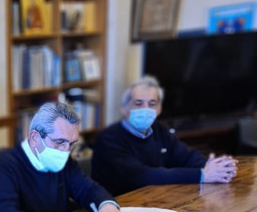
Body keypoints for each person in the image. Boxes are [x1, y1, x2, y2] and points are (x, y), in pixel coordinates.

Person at [0, 102, 140, 212]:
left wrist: (105, 205)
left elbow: (87, 188)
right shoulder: (3, 166)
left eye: (71, 144)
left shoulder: (63, 161)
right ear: (35, 137)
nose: (66, 151)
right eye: (59, 142)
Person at [91, 75, 237, 196]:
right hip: (120, 207)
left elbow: (186, 156)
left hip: (157, 199)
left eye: (152, 104)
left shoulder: (158, 129)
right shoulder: (108, 139)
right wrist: (202, 174)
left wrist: (216, 167)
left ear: (159, 108)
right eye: (138, 103)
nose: (146, 109)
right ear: (124, 108)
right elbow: (142, 176)